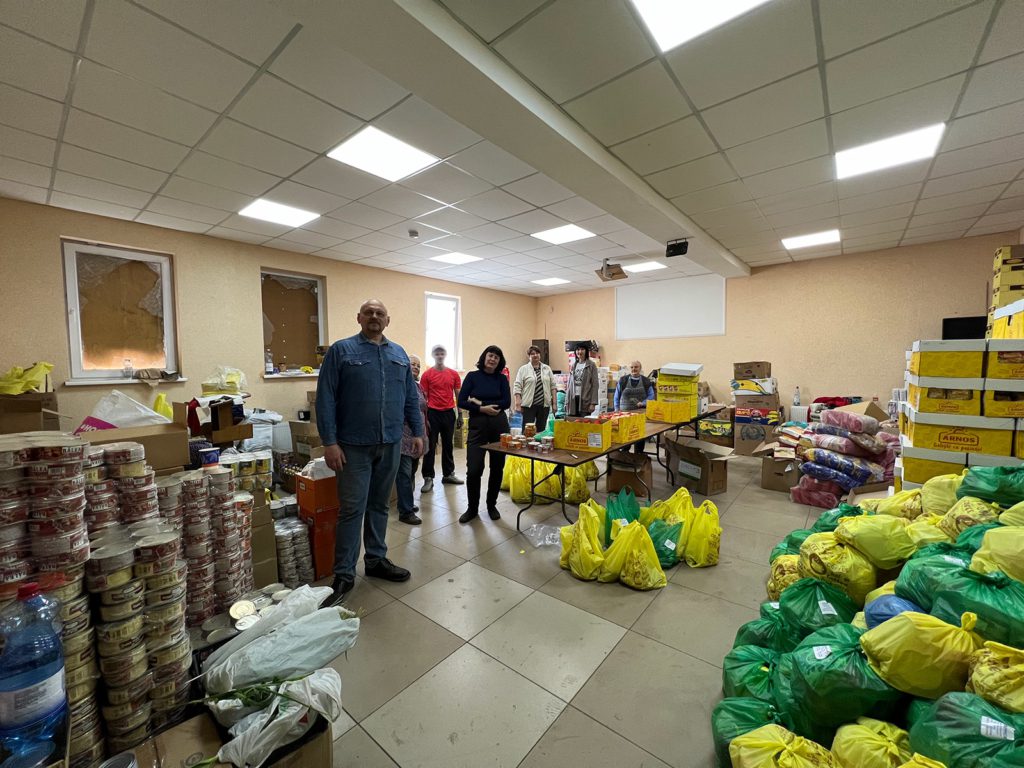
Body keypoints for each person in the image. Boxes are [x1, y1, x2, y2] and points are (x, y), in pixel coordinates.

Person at [315, 299, 424, 606]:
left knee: (379, 505)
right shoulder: (341, 351)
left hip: (390, 443)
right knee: (352, 510)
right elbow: (325, 399)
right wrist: (330, 442)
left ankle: (376, 561)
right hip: (352, 446)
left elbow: (409, 399)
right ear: (359, 318)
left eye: (380, 313)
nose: (374, 317)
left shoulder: (399, 354)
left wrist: (417, 432)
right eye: (369, 313)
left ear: (387, 320)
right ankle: (344, 574)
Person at [457, 345, 511, 523]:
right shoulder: (473, 377)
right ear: (484, 357)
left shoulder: (502, 379)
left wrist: (480, 402)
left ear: (499, 361)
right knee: (473, 470)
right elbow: (462, 401)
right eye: (490, 355)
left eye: (497, 357)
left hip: (499, 427)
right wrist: (482, 408)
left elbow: (507, 402)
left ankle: (491, 505)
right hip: (477, 429)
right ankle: (472, 508)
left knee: (497, 468)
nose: (493, 359)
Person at [418, 344, 463, 492]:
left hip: (449, 413)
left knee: (448, 445)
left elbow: (458, 395)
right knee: (430, 446)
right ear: (433, 355)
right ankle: (428, 477)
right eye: (436, 353)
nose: (439, 355)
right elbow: (423, 398)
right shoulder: (427, 375)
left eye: (442, 353)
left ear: (445, 355)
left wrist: (460, 414)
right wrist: (423, 419)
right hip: (432, 413)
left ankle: (448, 474)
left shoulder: (453, 374)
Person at [395, 355, 428, 525]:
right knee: (404, 474)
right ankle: (405, 511)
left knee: (412, 471)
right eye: (412, 364)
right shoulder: (399, 384)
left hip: (417, 435)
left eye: (418, 365)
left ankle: (405, 502)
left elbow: (422, 409)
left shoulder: (417, 385)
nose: (415, 367)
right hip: (403, 436)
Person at [614, 360, 655, 454]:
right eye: (632, 367)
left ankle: (639, 455)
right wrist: (616, 410)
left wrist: (643, 403)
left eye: (636, 367)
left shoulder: (646, 381)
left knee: (639, 435)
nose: (634, 369)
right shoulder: (623, 380)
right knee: (625, 436)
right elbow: (617, 396)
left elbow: (651, 396)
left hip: (640, 414)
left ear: (640, 368)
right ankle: (625, 455)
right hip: (624, 414)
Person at [513, 345, 556, 433]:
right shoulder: (523, 369)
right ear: (529, 356)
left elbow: (553, 386)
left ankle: (538, 446)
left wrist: (554, 403)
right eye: (532, 354)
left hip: (544, 406)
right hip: (529, 405)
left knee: (541, 430)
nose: (535, 355)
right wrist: (518, 403)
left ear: (540, 355)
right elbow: (517, 386)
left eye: (537, 353)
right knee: (527, 431)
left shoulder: (547, 368)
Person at [566, 343, 599, 417]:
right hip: (573, 400)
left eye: (582, 349)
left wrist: (593, 403)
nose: (580, 352)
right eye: (578, 349)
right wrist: (566, 401)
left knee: (583, 424)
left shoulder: (591, 365)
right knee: (573, 424)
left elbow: (595, 385)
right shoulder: (573, 365)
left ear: (586, 351)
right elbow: (569, 386)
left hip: (585, 400)